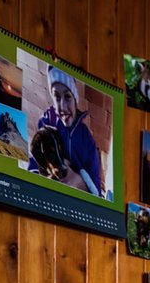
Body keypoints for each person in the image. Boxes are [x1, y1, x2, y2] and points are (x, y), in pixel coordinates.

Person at [26, 65, 104, 197]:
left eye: (67, 97)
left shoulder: (86, 139)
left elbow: (96, 190)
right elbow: (34, 163)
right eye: (57, 97)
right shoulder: (47, 120)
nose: (62, 107)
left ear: (75, 99)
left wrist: (78, 182)